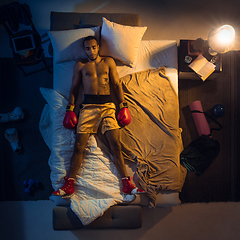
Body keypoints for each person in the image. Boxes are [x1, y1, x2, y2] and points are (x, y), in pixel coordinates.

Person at [52, 36, 144, 196]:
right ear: (84, 50)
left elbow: (116, 84)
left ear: (98, 47)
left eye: (94, 47)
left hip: (108, 106)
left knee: (115, 144)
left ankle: (126, 184)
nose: (91, 51)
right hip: (88, 107)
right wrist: (70, 109)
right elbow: (74, 87)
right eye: (88, 48)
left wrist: (123, 105)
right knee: (79, 146)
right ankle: (69, 184)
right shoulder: (80, 64)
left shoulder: (108, 62)